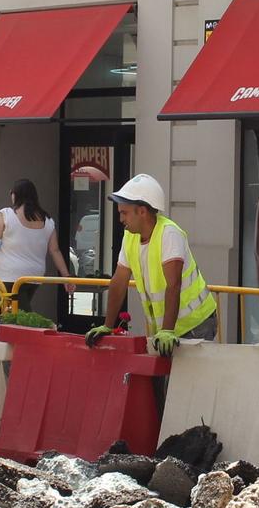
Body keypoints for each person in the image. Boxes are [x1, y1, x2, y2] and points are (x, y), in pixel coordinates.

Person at [88, 174, 216, 409]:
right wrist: (107, 324)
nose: (120, 219)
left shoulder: (169, 234)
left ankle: (183, 438)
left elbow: (173, 285)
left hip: (196, 323)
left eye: (124, 213)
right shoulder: (130, 237)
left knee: (183, 393)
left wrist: (167, 330)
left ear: (142, 211)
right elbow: (119, 281)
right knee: (163, 391)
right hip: (167, 329)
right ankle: (168, 441)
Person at [0, 178, 71, 319]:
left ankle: (41, 332)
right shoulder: (47, 221)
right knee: (9, 312)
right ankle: (0, 328)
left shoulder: (6, 215)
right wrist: (66, 276)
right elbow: (55, 251)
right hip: (34, 277)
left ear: (15, 195)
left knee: (21, 316)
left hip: (11, 276)